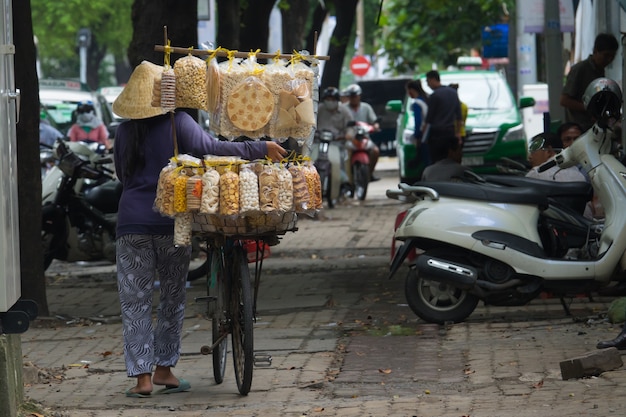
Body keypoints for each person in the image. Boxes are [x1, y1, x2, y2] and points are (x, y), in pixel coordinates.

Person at [111, 61, 287, 398]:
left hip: (131, 224)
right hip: (171, 224)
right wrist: (259, 148)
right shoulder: (179, 123)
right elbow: (215, 150)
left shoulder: (124, 132)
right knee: (173, 297)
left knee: (135, 302)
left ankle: (142, 379)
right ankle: (165, 370)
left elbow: (123, 176)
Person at [560, 33, 619, 132]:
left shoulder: (600, 71)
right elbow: (564, 100)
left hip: (593, 128)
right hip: (578, 129)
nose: (609, 60)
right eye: (606, 55)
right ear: (595, 51)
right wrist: (589, 108)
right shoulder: (580, 69)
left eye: (612, 56)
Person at [341, 83, 381, 181]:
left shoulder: (366, 107)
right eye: (351, 96)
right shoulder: (343, 108)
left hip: (364, 137)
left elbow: (374, 121)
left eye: (355, 96)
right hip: (349, 138)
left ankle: (369, 173)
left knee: (375, 151)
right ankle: (347, 178)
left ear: (359, 96)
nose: (354, 98)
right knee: (344, 154)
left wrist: (375, 126)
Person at [317, 86, 354, 185]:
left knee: (340, 160)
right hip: (318, 142)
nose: (330, 102)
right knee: (311, 160)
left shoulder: (344, 111)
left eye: (332, 99)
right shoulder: (319, 109)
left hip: (337, 143)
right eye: (328, 99)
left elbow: (350, 126)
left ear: (337, 100)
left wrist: (348, 134)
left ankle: (345, 181)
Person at [424, 70, 462, 164]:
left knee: (437, 161)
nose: (428, 85)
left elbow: (429, 119)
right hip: (450, 133)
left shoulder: (434, 96)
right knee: (450, 160)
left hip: (437, 135)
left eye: (428, 81)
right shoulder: (453, 93)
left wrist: (422, 136)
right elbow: (459, 117)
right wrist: (458, 133)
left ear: (433, 79)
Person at [406, 79, 431, 168]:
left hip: (423, 135)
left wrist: (417, 136)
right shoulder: (427, 99)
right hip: (432, 132)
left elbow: (418, 122)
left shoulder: (417, 103)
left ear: (412, 90)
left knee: (426, 161)